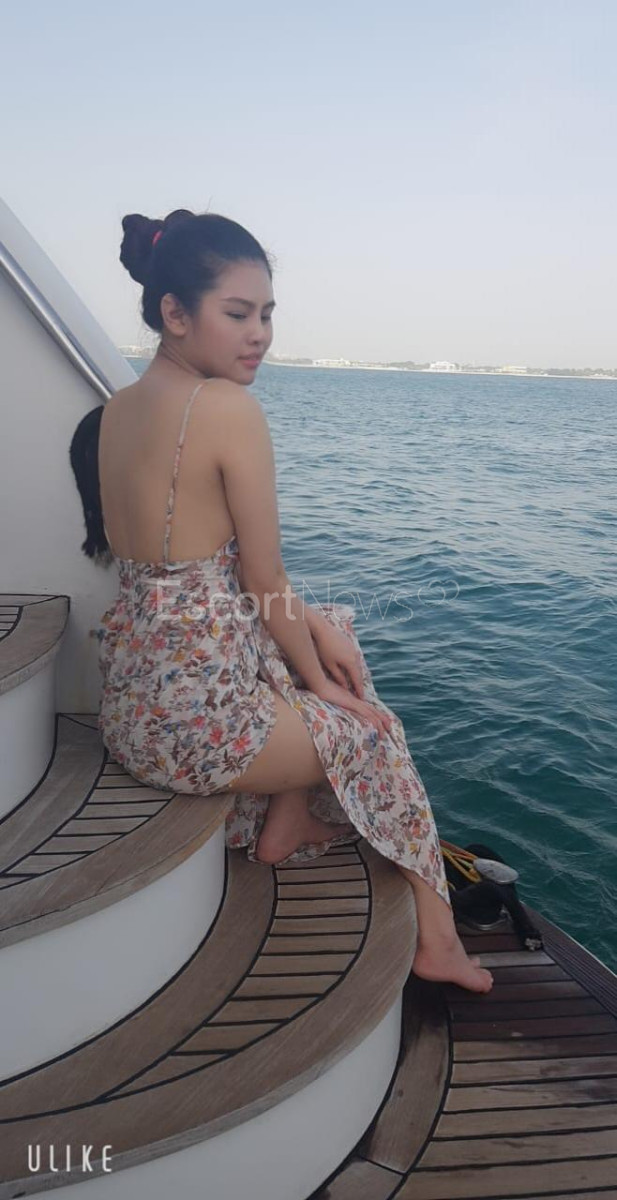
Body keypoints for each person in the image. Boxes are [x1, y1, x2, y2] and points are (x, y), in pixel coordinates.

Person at [91, 207, 492, 994]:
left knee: (327, 626)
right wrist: (328, 693)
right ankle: (438, 940)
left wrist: (313, 643)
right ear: (175, 313)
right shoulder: (226, 409)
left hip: (133, 704)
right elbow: (264, 583)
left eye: (267, 314)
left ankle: (286, 819)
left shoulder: (116, 410)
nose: (260, 335)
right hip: (193, 729)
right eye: (238, 313)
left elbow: (204, 578)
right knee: (374, 731)